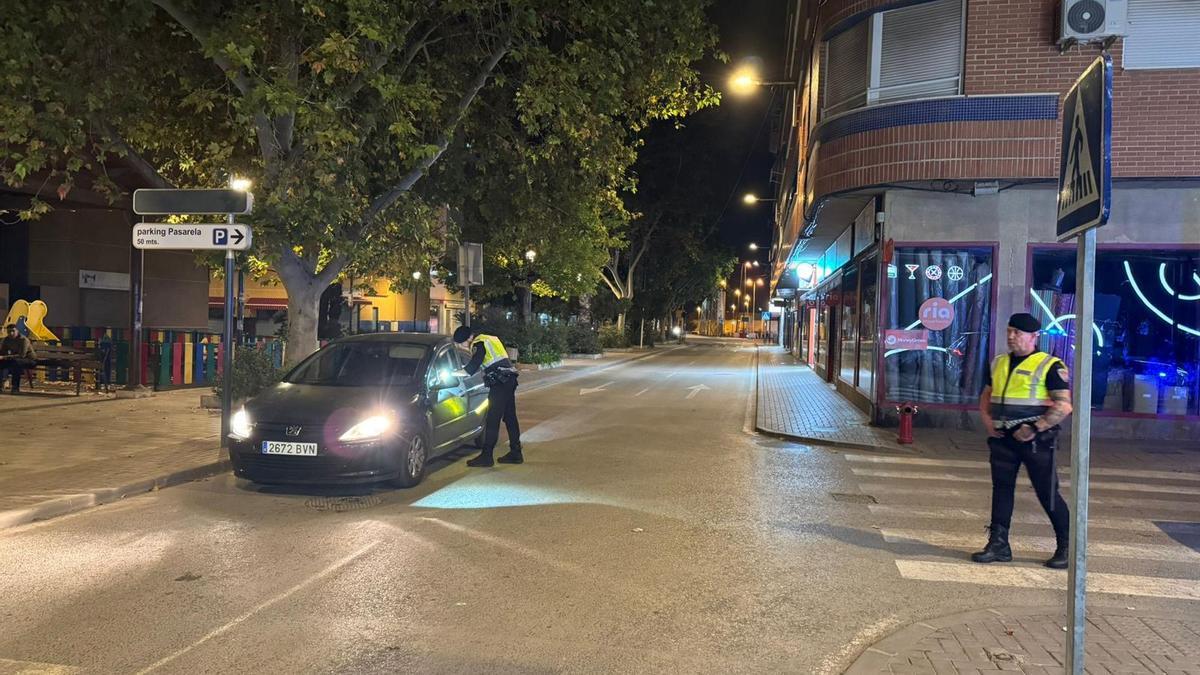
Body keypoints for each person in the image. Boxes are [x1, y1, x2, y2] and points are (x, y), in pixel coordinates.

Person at [973, 312, 1073, 569]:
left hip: (1036, 441)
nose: (1011, 336)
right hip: (1003, 438)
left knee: (1047, 492)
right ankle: (998, 544)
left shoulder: (1050, 365)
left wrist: (1035, 428)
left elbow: (1063, 406)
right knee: (1002, 490)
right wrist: (986, 418)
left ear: (1033, 337)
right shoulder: (998, 363)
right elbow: (987, 394)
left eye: (1017, 332)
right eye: (1009, 331)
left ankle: (1067, 545)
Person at [453, 326, 522, 467]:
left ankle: (487, 456)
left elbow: (472, 367)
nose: (463, 347)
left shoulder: (479, 343)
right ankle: (516, 453)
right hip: (510, 379)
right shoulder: (490, 338)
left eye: (462, 344)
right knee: (510, 418)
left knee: (492, 419)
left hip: (500, 382)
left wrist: (453, 373)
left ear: (468, 339)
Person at [0, 324, 37, 394]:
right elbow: (2, 352)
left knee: (16, 364)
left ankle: (15, 388)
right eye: (9, 332)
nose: (11, 333)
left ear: (17, 331)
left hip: (30, 360)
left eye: (13, 331)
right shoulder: (6, 340)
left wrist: (5, 357)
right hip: (14, 360)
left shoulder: (23, 340)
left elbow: (22, 355)